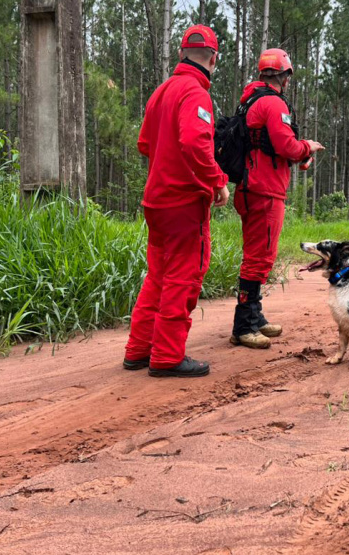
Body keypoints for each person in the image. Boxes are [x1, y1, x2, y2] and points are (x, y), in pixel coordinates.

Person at [123, 25, 229, 378]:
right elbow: (195, 143)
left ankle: (139, 350)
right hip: (183, 203)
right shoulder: (196, 93)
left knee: (158, 276)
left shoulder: (162, 92)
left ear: (182, 54)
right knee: (183, 277)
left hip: (156, 201)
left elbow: (144, 144)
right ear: (213, 59)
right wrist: (217, 182)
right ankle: (167, 356)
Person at [230, 48, 325, 349]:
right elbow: (286, 146)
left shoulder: (251, 101)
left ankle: (254, 317)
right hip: (264, 191)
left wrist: (300, 153)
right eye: (287, 76)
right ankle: (243, 326)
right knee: (259, 259)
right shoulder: (272, 103)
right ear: (283, 76)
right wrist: (307, 146)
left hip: (251, 187)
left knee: (257, 256)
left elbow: (270, 146)